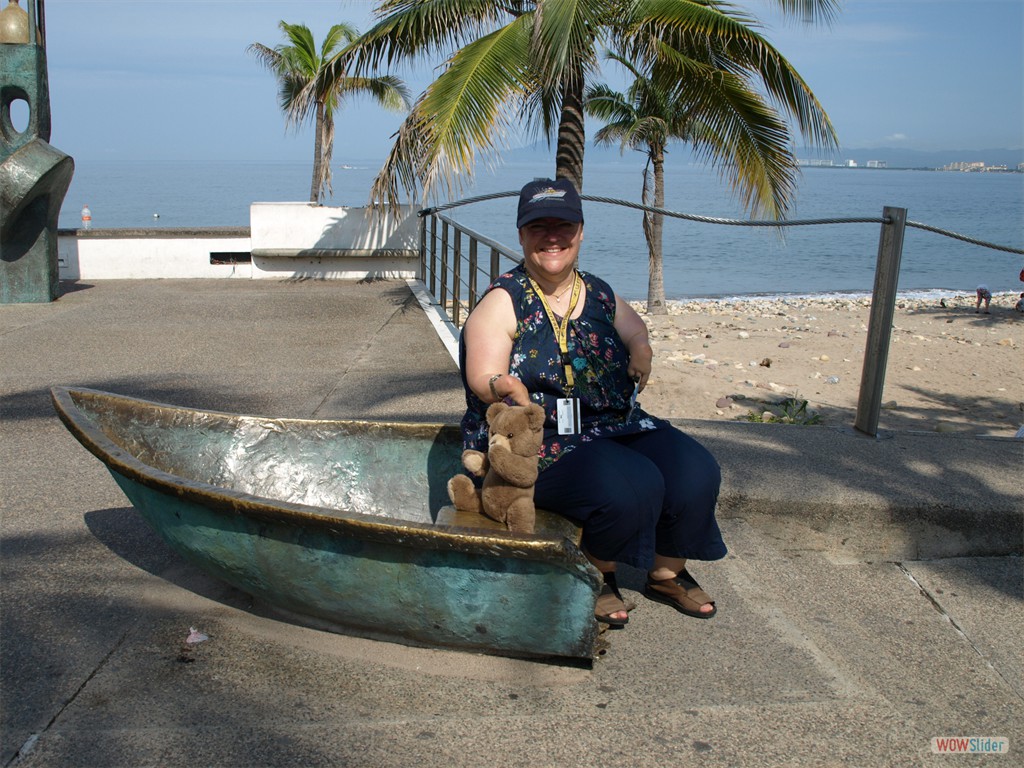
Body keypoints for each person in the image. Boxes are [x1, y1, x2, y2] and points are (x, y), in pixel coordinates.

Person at [456, 178, 727, 626]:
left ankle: (665, 571)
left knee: (695, 469)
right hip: (542, 441)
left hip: (616, 423)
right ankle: (597, 572)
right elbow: (483, 375)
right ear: (522, 235)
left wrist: (642, 350)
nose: (552, 237)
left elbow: (635, 328)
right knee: (631, 485)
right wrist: (504, 386)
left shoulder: (596, 291)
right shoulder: (505, 300)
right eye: (538, 227)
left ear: (580, 231)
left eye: (563, 225)